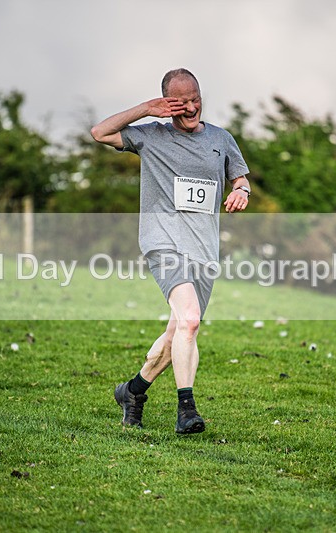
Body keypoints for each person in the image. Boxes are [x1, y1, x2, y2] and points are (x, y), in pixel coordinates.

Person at [91, 68, 251, 434]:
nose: (191, 107)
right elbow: (100, 132)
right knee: (190, 320)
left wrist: (241, 191)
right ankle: (186, 410)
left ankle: (133, 391)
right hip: (163, 243)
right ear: (167, 102)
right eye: (180, 102)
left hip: (204, 250)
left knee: (178, 332)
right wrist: (146, 109)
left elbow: (239, 176)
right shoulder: (150, 136)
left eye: (195, 98)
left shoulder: (221, 139)